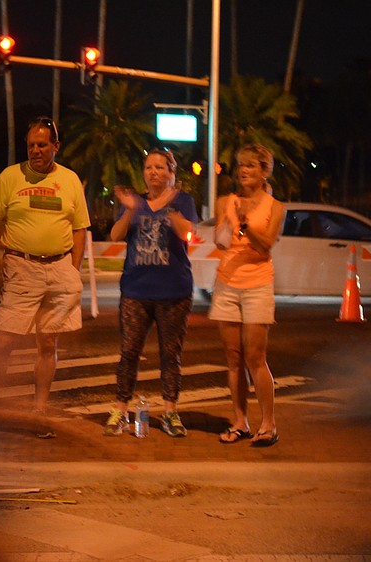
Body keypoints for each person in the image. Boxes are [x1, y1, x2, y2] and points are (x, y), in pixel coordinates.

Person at [0, 116, 90, 438]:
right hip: (21, 267)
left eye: (42, 145)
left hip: (59, 268)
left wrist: (73, 268)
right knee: (5, 340)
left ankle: (39, 409)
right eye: (31, 145)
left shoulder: (70, 181)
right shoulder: (10, 177)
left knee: (48, 341)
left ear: (56, 146)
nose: (36, 151)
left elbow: (80, 229)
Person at [102, 148, 198, 438]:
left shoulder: (183, 201)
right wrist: (131, 209)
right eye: (148, 167)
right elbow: (116, 236)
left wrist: (168, 206)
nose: (153, 172)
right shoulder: (135, 202)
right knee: (129, 352)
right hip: (136, 291)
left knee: (171, 355)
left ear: (172, 173)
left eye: (160, 167)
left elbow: (187, 233)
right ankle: (120, 410)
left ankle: (170, 413)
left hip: (174, 292)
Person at [208, 143, 285, 447]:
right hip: (227, 284)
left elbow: (266, 244)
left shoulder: (275, 207)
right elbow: (222, 240)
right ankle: (240, 421)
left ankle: (269, 424)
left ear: (265, 171)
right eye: (241, 165)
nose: (243, 171)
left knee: (255, 357)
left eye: (251, 165)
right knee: (233, 357)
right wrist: (224, 232)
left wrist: (244, 225)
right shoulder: (225, 201)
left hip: (258, 285)